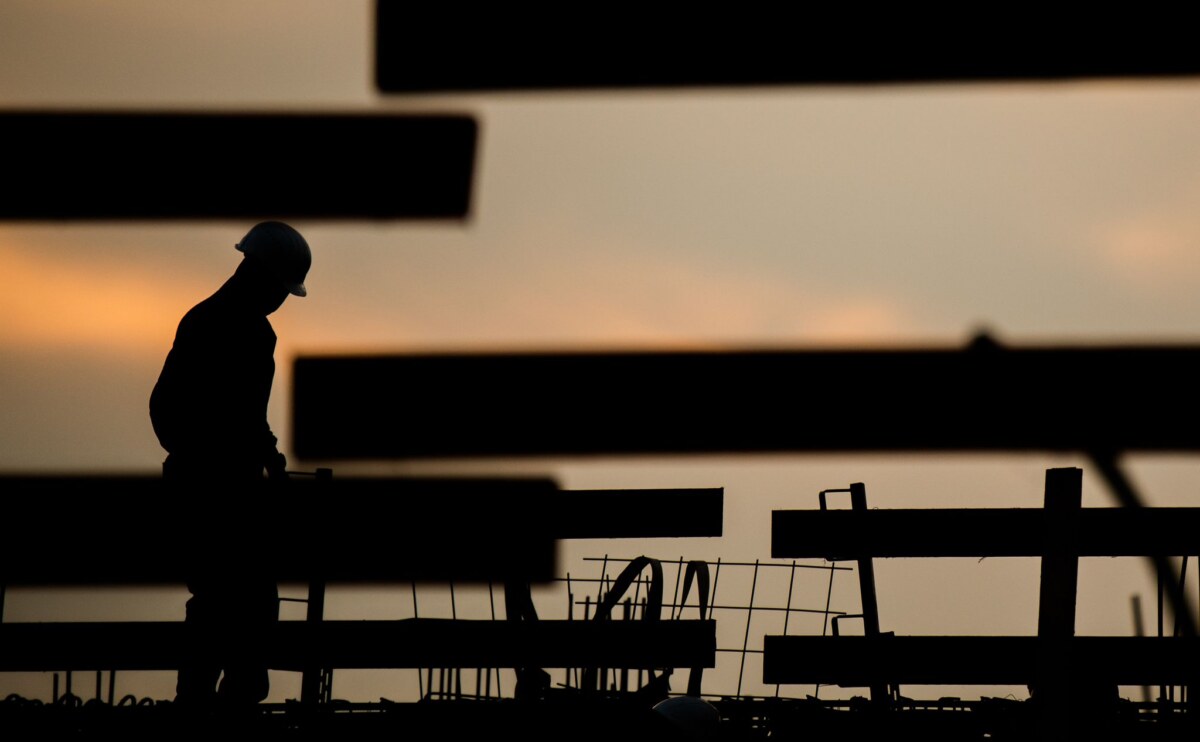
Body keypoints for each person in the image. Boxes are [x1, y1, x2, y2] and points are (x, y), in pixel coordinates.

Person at [150, 221, 311, 706]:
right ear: (260, 274)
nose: (282, 300)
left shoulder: (208, 321)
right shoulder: (239, 332)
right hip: (215, 494)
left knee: (221, 604)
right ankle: (219, 705)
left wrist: (262, 453)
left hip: (207, 488)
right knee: (240, 604)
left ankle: (205, 703)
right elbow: (223, 415)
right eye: (281, 289)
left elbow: (232, 416)